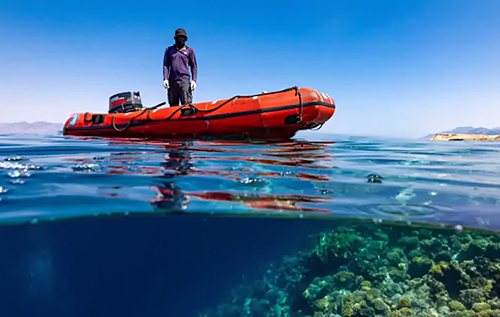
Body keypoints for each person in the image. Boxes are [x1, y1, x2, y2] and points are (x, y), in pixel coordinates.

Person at [162, 28, 198, 106]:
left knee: (186, 104)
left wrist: (194, 80)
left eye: (183, 37)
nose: (181, 39)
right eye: (179, 37)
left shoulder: (190, 50)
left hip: (184, 80)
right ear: (175, 38)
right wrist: (165, 78)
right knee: (173, 105)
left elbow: (194, 65)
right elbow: (165, 64)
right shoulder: (169, 50)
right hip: (172, 81)